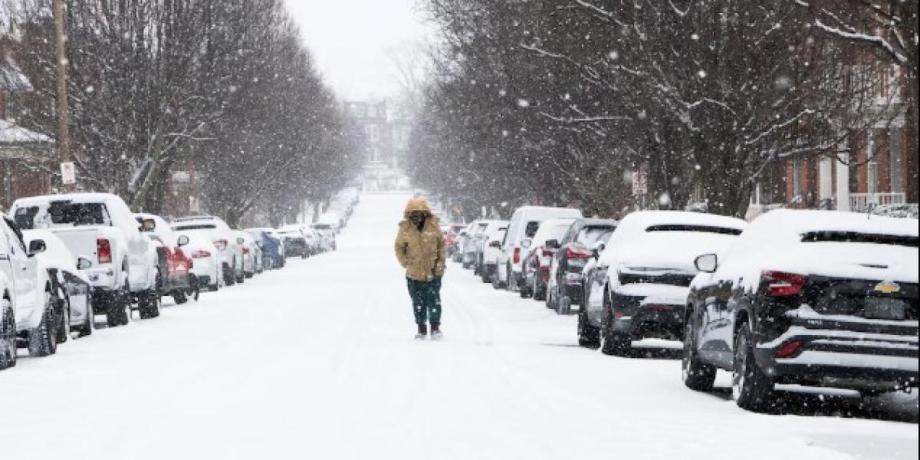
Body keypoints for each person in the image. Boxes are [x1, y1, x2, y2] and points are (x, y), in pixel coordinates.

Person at [394, 197, 447, 340]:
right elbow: (399, 247)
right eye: (413, 213)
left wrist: (440, 263)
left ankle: (435, 328)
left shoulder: (434, 226)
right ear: (409, 214)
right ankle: (421, 329)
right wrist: (406, 263)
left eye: (419, 212)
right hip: (413, 274)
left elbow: (442, 245)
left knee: (434, 300)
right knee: (418, 302)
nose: (417, 216)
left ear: (425, 213)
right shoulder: (405, 228)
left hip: (433, 272)